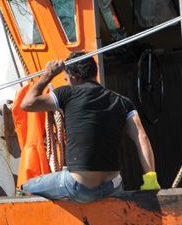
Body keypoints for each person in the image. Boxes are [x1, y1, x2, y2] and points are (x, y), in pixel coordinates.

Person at [20, 55, 161, 203]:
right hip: (112, 186)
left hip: (79, 186)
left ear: (75, 76)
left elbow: (27, 104)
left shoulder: (67, 93)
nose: (66, 82)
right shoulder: (123, 102)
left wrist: (48, 74)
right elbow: (141, 137)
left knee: (25, 190)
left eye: (66, 79)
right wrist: (150, 178)